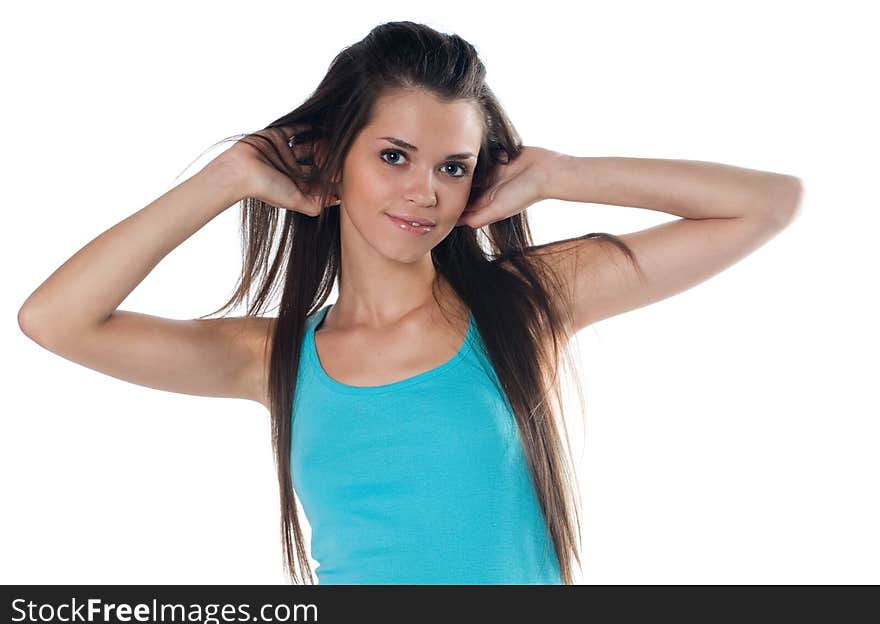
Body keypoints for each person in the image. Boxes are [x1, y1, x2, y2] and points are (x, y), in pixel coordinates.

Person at [17, 21, 802, 585]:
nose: (425, 191)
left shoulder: (526, 305)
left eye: (453, 166)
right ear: (335, 160)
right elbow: (54, 320)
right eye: (395, 156)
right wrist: (225, 179)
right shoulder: (274, 357)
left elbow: (767, 203)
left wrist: (560, 173)